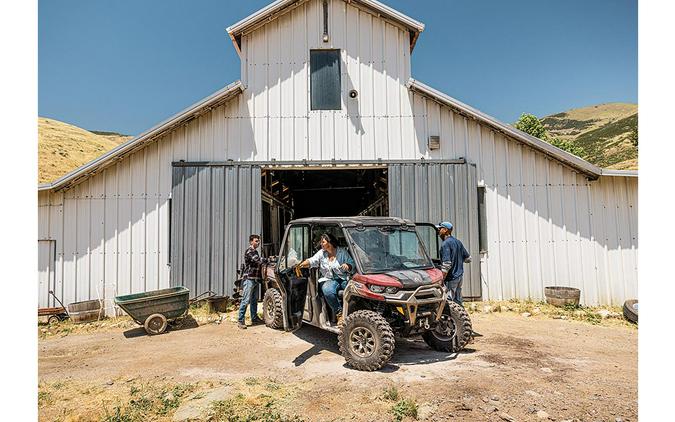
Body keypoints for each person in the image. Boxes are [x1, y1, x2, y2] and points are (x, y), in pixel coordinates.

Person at [297, 233, 355, 324]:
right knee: (328, 291)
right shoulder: (321, 253)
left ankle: (354, 315)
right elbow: (312, 260)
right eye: (321, 242)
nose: (321, 244)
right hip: (328, 279)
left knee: (354, 291)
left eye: (323, 242)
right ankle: (339, 314)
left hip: (343, 278)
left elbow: (352, 263)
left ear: (329, 242)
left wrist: (348, 265)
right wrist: (301, 265)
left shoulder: (342, 252)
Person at [437, 221, 471, 306]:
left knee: (448, 302)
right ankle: (461, 318)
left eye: (440, 229)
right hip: (459, 277)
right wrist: (457, 260)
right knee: (458, 301)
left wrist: (441, 279)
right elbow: (468, 259)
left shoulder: (445, 244)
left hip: (451, 278)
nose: (438, 231)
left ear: (445, 230)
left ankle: (450, 318)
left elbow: (447, 264)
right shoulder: (458, 242)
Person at [238, 234, 268, 329]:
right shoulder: (249, 252)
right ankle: (240, 320)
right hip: (249, 279)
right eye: (256, 241)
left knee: (254, 300)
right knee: (246, 300)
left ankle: (254, 318)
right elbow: (258, 260)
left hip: (255, 279)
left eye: (258, 241)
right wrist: (270, 259)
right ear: (251, 242)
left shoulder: (255, 252)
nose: (258, 243)